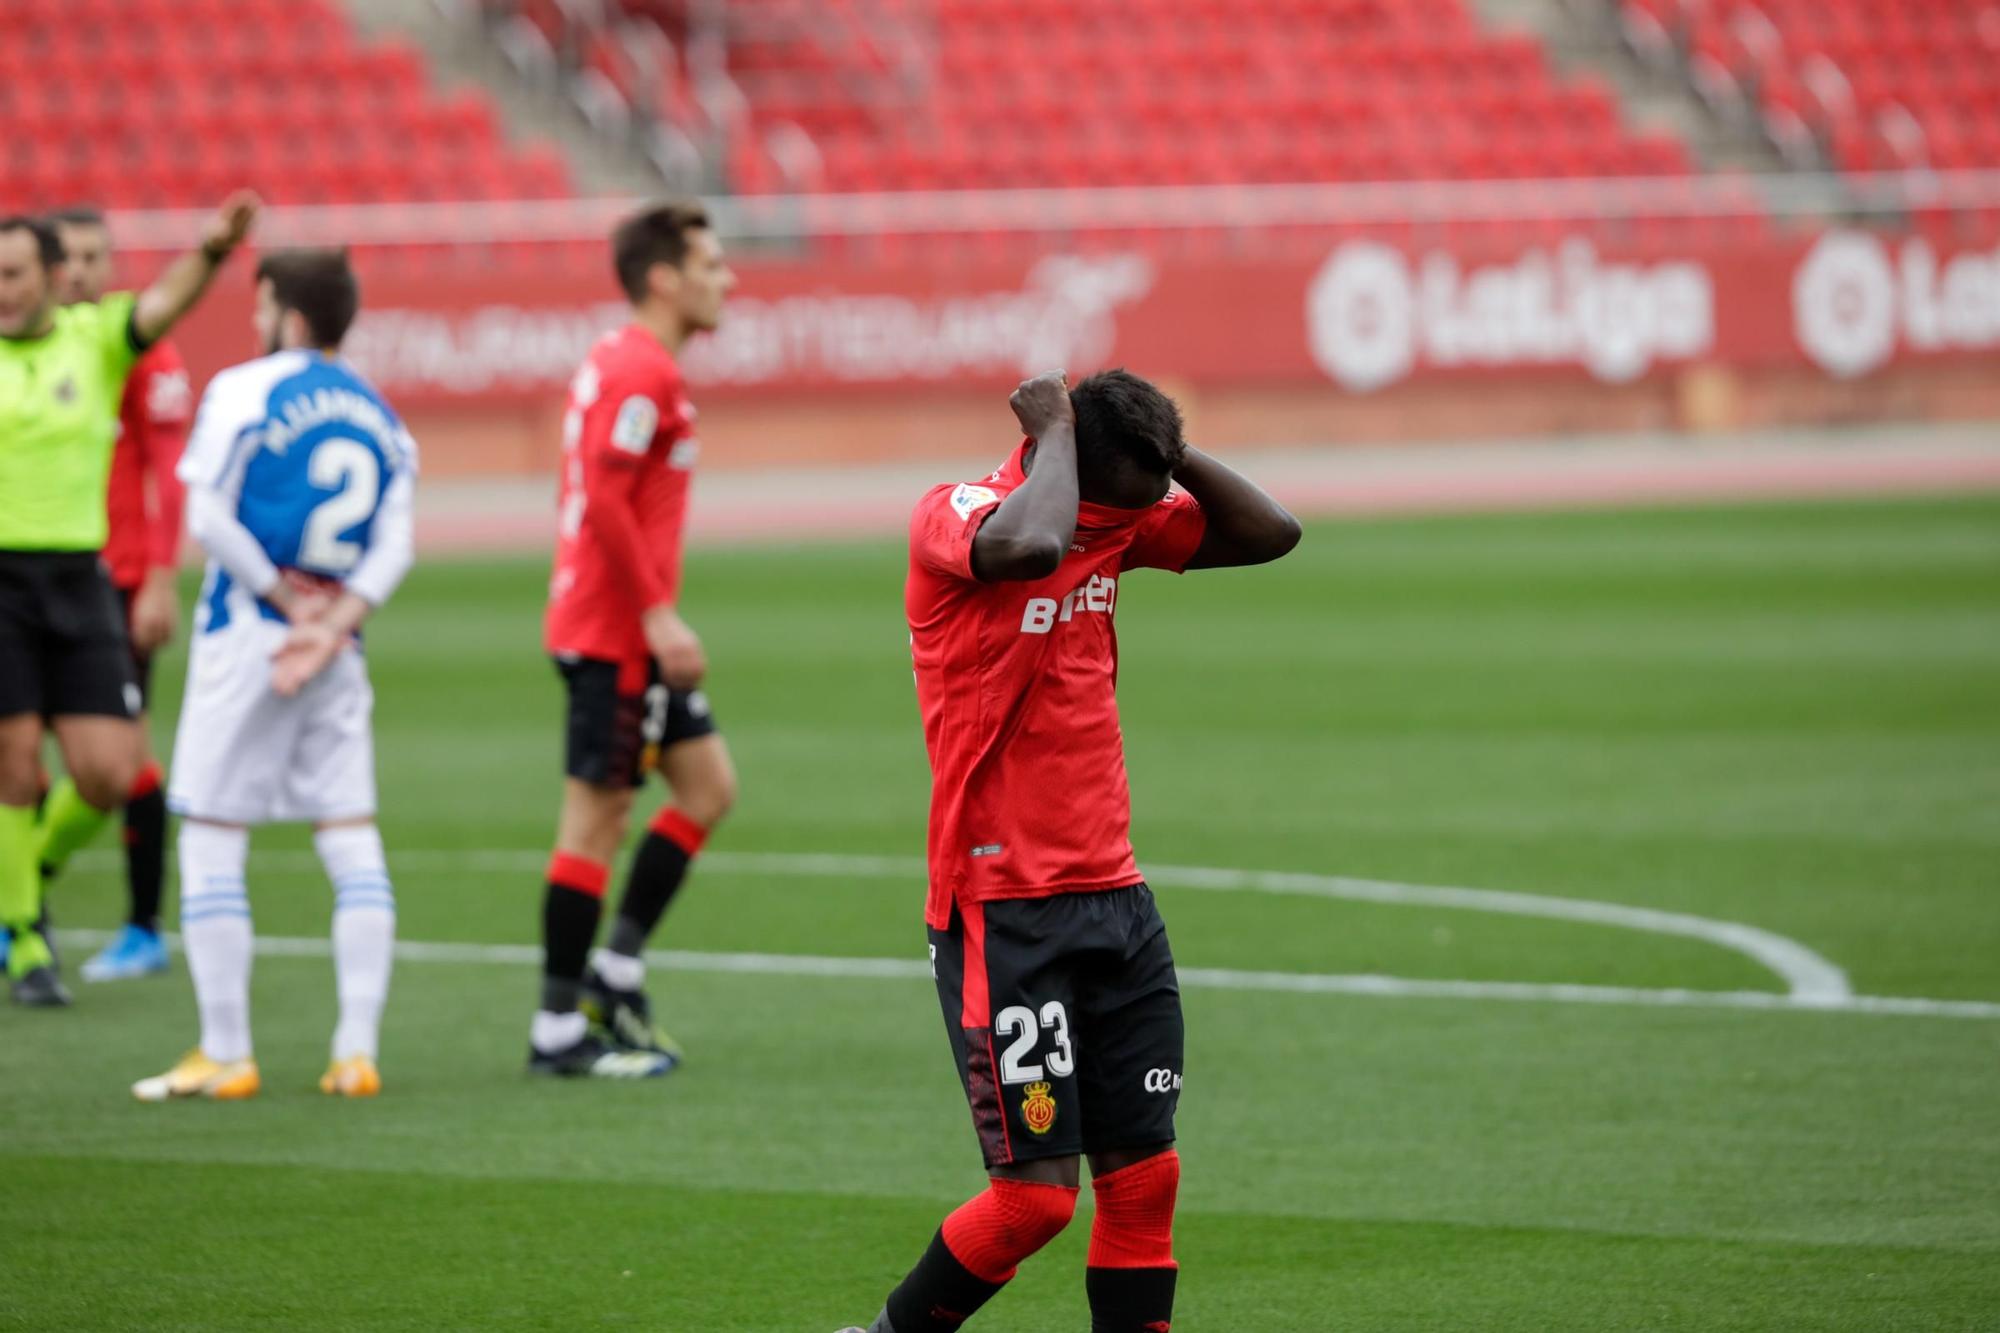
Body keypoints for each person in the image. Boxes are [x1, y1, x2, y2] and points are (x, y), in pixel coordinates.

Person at [842, 369, 1301, 1333]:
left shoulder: (1115, 519)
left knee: (1145, 1180)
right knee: (1036, 1199)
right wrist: (1055, 436)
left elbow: (1271, 533)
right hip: (1002, 906)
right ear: (1063, 459)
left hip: (1116, 898)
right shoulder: (958, 516)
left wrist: (1168, 455)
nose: (1146, 517)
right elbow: (1035, 540)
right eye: (1126, 497)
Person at [132, 249, 417, 1102]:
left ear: (284, 314)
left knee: (214, 831)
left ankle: (226, 1049)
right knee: (347, 828)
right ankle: (355, 1050)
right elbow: (399, 544)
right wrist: (336, 621)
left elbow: (207, 514)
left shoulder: (245, 390)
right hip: (338, 648)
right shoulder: (379, 412)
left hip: (250, 637)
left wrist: (284, 604)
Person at [0, 193, 258, 1007]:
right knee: (13, 761)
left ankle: (24, 872)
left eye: (13, 274)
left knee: (110, 770)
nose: (2, 289)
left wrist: (212, 252)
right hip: (2, 578)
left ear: (50, 276)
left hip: (81, 580)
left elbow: (164, 302)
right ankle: (25, 935)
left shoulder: (99, 339)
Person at [528, 199, 740, 1079]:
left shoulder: (635, 363)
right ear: (665, 277)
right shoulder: (640, 371)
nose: (727, 278)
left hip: (626, 628)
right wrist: (655, 612)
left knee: (706, 786)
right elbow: (607, 500)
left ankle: (613, 969)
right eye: (712, 263)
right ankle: (556, 1032)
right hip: (615, 631)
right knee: (596, 820)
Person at [33, 206, 194, 982]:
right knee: (21, 761)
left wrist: (160, 577)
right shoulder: (31, 349)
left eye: (98, 256)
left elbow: (170, 471)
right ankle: (28, 911)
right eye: (73, 257)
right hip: (27, 581)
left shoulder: (132, 351)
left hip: (116, 584)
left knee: (125, 758)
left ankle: (136, 923)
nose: (86, 272)